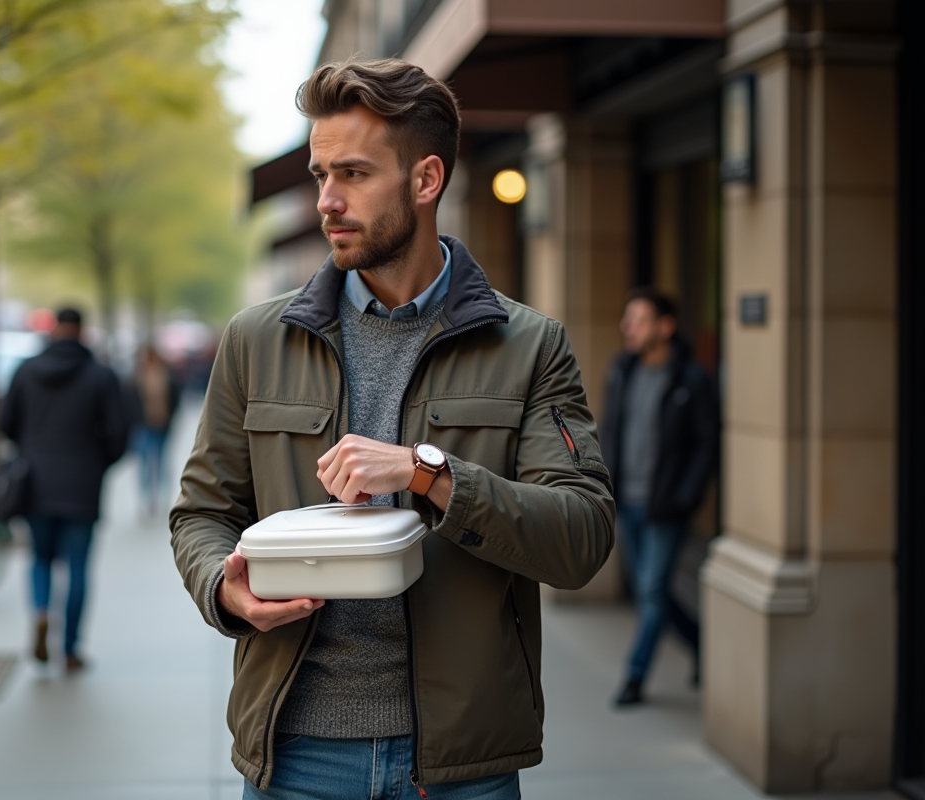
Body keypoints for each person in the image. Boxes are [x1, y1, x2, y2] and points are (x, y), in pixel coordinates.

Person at [170, 58, 615, 799]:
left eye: (352, 174)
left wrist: (427, 472)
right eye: (319, 176)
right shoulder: (255, 340)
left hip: (459, 765)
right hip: (296, 753)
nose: (326, 202)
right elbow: (202, 513)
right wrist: (224, 588)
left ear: (426, 180)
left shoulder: (531, 345)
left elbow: (580, 538)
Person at [601, 288, 718, 707]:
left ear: (665, 327)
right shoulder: (623, 370)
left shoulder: (691, 378)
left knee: (651, 589)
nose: (627, 327)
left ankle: (634, 677)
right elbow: (610, 430)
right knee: (652, 589)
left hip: (665, 505)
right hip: (626, 500)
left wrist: (686, 495)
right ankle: (702, 641)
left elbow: (707, 443)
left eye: (639, 319)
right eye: (627, 318)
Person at [0, 307, 128, 672]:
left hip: (35, 481)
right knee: (77, 567)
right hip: (82, 484)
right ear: (82, 331)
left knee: (39, 558)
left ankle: (41, 613)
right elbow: (119, 433)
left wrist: (30, 447)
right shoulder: (101, 376)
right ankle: (70, 649)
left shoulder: (25, 371)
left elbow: (6, 424)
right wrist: (97, 463)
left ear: (55, 329)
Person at [126, 344, 182, 517]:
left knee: (161, 461)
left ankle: (161, 497)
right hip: (143, 425)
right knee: (145, 462)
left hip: (162, 424)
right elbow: (129, 402)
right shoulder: (136, 377)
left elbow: (174, 397)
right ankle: (147, 499)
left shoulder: (166, 375)